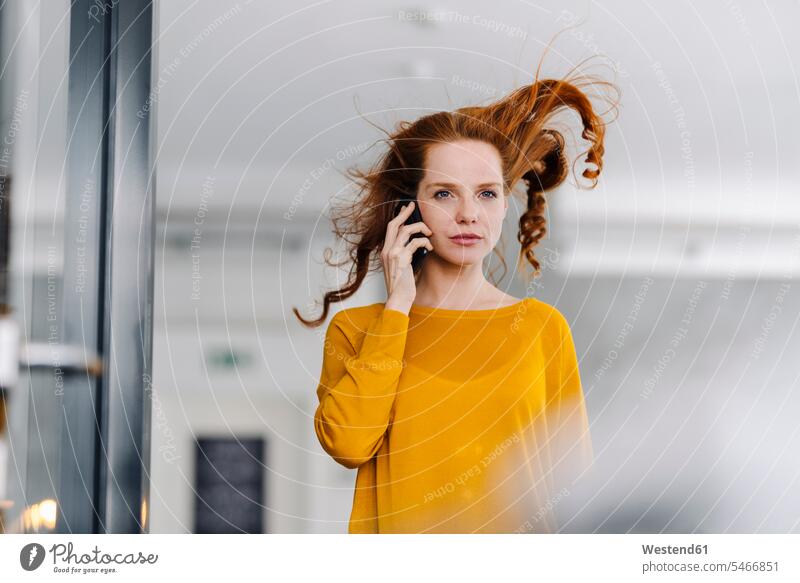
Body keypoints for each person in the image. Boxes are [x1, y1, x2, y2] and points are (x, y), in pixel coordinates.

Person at [294, 57, 617, 533]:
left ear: (505, 204)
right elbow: (347, 443)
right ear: (411, 206)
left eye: (486, 193)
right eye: (444, 193)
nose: (468, 213)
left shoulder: (542, 328)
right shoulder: (359, 331)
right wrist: (397, 308)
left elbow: (571, 487)